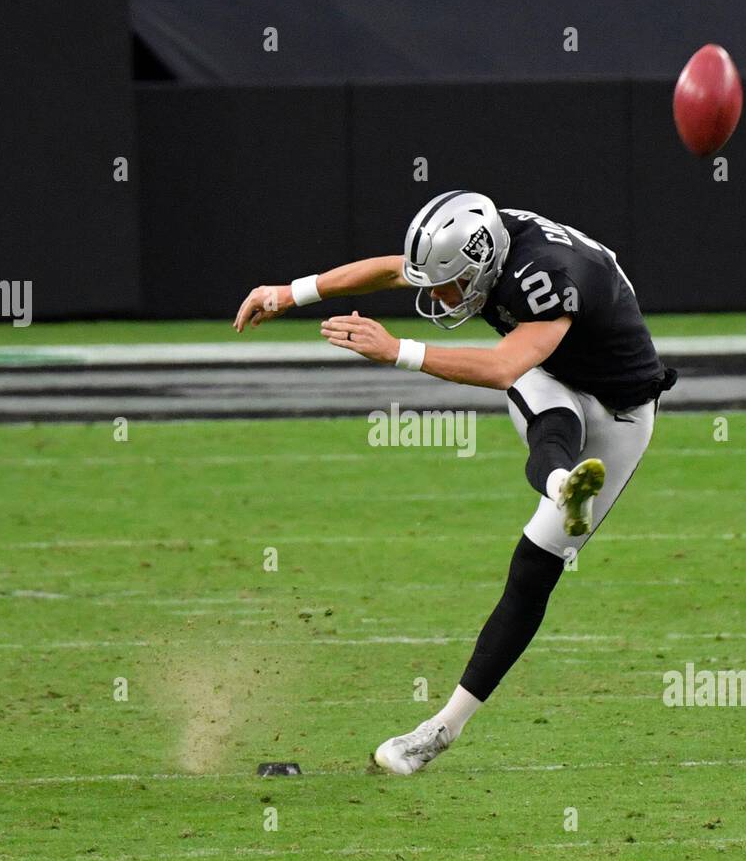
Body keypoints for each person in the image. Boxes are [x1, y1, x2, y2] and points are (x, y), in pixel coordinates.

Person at [234, 191, 675, 774]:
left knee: (536, 548)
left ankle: (445, 725)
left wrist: (398, 352)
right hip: (556, 374)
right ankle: (563, 485)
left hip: (623, 412)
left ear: (487, 265)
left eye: (449, 286)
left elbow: (500, 368)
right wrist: (292, 292)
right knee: (548, 445)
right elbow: (395, 269)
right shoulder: (481, 242)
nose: (436, 299)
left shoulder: (545, 277)